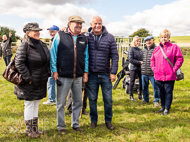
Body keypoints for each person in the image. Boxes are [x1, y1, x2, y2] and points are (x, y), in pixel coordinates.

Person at [50, 15, 89, 134]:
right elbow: (53, 54)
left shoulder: (84, 38)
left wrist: (85, 72)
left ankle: (75, 124)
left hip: (78, 76)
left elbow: (86, 57)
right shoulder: (60, 35)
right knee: (61, 103)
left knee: (78, 102)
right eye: (77, 23)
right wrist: (54, 71)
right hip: (63, 75)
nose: (80, 26)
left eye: (81, 24)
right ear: (70, 23)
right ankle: (61, 126)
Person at [14, 23, 50, 138]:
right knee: (29, 105)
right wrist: (28, 78)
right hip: (29, 81)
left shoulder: (42, 44)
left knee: (36, 104)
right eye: (34, 30)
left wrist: (47, 72)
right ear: (28, 33)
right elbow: (18, 63)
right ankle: (29, 130)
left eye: (38, 30)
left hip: (40, 80)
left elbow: (46, 60)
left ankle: (35, 128)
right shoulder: (25, 44)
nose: (37, 32)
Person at [86, 16, 119, 130]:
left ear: (102, 24)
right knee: (92, 99)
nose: (97, 25)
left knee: (108, 100)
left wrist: (113, 72)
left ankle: (108, 121)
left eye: (99, 23)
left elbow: (114, 56)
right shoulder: (85, 37)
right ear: (91, 24)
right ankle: (93, 120)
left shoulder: (109, 37)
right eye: (95, 23)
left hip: (105, 74)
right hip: (91, 74)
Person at [151, 29, 184, 115]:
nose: (163, 39)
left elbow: (180, 59)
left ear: (169, 37)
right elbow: (152, 60)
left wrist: (174, 69)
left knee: (168, 92)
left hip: (170, 75)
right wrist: (154, 69)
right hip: (159, 75)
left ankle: (167, 108)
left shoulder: (174, 47)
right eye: (162, 37)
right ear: (159, 38)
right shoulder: (157, 49)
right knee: (161, 91)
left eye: (165, 37)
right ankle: (162, 106)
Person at [66, 28, 89, 116]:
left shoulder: (86, 42)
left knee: (85, 90)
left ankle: (83, 108)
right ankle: (71, 109)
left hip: (85, 69)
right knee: (72, 91)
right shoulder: (73, 41)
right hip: (76, 70)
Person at [141, 36, 160, 107]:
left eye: (149, 40)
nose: (148, 42)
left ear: (153, 40)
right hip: (144, 72)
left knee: (156, 88)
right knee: (144, 87)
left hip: (153, 73)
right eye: (146, 41)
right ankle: (146, 99)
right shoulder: (144, 50)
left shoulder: (156, 49)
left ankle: (156, 101)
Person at [43, 25, 59, 105]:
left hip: (56, 66)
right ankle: (52, 99)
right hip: (51, 65)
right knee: (50, 82)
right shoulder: (52, 41)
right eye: (50, 32)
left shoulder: (58, 41)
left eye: (52, 31)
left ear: (57, 32)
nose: (51, 33)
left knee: (55, 83)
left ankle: (55, 100)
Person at [128, 36, 143, 101]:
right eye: (137, 41)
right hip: (133, 68)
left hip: (140, 68)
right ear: (134, 42)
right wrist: (139, 62)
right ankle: (131, 96)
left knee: (141, 81)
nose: (138, 42)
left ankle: (140, 95)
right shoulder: (131, 49)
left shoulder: (140, 50)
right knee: (132, 82)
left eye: (139, 41)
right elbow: (130, 59)